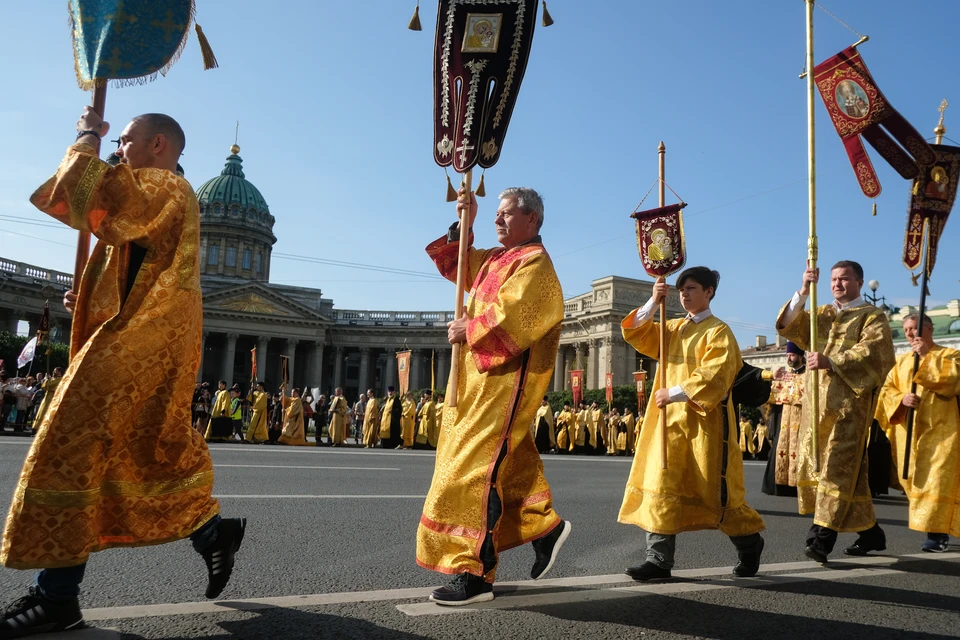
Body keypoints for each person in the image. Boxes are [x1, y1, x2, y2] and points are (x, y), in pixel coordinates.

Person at [0, 110, 245, 637]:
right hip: (144, 337)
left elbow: (87, 195)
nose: (119, 147)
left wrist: (88, 136)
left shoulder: (166, 187)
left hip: (142, 340)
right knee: (136, 453)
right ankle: (211, 532)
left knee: (70, 452)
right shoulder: (156, 197)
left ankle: (56, 596)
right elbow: (125, 260)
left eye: (127, 140)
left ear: (158, 145)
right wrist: (85, 297)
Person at [417, 187, 571, 606]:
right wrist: (463, 224)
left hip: (502, 386)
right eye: (496, 214)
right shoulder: (494, 259)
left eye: (506, 214)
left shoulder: (535, 263)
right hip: (474, 383)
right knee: (506, 465)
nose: (498, 220)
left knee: (473, 472)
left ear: (533, 220)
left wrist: (470, 329)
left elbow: (521, 316)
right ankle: (545, 526)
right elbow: (456, 265)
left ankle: (475, 573)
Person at [619, 267, 765, 581]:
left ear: (709, 292)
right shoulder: (670, 328)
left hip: (705, 424)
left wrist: (673, 392)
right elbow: (636, 333)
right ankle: (658, 560)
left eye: (692, 288)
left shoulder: (718, 331)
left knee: (714, 493)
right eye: (681, 289)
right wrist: (651, 301)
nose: (684, 294)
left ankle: (749, 542)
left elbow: (716, 374)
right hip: (668, 423)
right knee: (661, 485)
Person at [776, 260, 895, 562]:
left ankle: (820, 539)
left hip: (849, 407)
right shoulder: (823, 314)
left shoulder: (872, 316)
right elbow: (790, 324)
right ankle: (871, 534)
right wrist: (803, 289)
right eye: (833, 279)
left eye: (844, 279)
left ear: (859, 282)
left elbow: (875, 353)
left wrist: (833, 361)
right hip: (817, 406)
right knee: (837, 470)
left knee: (837, 467)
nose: (837, 284)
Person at [876, 313, 960, 552]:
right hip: (909, 434)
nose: (911, 333)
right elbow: (886, 391)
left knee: (938, 482)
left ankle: (937, 535)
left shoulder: (950, 355)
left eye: (915, 328)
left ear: (930, 329)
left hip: (942, 433)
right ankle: (934, 529)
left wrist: (925, 356)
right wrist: (902, 398)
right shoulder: (901, 362)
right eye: (907, 329)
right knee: (915, 480)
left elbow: (955, 378)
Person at [761, 343, 805, 496]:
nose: (789, 359)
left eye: (792, 355)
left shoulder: (808, 376)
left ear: (800, 356)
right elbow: (772, 401)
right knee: (779, 449)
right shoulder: (785, 377)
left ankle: (797, 487)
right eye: (787, 356)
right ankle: (779, 485)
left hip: (801, 420)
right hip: (784, 421)